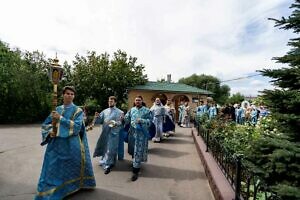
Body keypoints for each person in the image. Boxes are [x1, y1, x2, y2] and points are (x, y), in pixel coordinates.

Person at [35, 86, 96, 200]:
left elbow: (77, 127)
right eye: (67, 93)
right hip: (56, 144)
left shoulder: (78, 110)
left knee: (69, 167)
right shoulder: (56, 109)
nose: (70, 95)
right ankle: (54, 188)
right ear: (63, 95)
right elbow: (46, 124)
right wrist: (50, 132)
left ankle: (69, 187)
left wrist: (61, 118)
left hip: (71, 144)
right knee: (53, 166)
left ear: (74, 96)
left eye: (72, 94)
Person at [93, 96, 124, 174]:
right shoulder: (104, 111)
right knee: (105, 147)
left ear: (115, 102)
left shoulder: (120, 112)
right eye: (109, 101)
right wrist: (97, 117)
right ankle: (106, 161)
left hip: (113, 133)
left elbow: (121, 123)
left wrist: (115, 123)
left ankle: (107, 165)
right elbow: (99, 121)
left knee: (110, 149)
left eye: (112, 101)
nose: (110, 102)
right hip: (105, 132)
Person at [124, 95, 152, 181]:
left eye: (139, 100)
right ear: (134, 101)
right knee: (133, 149)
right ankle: (135, 162)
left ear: (142, 101)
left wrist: (142, 120)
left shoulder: (147, 110)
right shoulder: (132, 110)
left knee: (138, 150)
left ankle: (136, 170)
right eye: (136, 100)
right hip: (132, 133)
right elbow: (127, 119)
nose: (137, 102)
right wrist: (123, 118)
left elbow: (150, 122)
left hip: (141, 134)